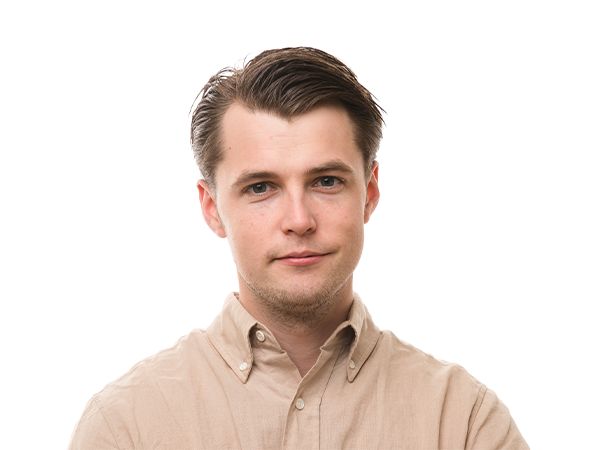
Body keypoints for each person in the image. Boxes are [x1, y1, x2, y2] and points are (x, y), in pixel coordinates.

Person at [70, 47, 528, 449]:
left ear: (369, 193)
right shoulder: (126, 427)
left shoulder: (464, 422)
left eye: (326, 181)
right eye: (261, 187)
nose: (299, 220)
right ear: (212, 208)